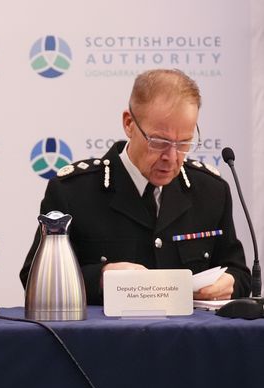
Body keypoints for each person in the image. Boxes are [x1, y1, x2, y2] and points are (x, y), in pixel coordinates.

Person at [19, 68, 250, 305]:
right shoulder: (73, 192)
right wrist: (100, 278)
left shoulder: (211, 191)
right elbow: (34, 280)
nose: (171, 157)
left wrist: (229, 283)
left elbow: (240, 275)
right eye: (159, 142)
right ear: (129, 124)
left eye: (184, 143)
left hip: (188, 338)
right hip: (105, 339)